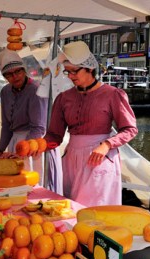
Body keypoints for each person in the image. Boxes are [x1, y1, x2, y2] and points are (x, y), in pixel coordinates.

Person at [34, 41, 137, 206]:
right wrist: (37, 145)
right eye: (67, 72)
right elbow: (55, 135)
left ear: (89, 68)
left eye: (74, 71)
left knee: (95, 209)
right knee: (71, 207)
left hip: (99, 157)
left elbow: (130, 129)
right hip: (71, 158)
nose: (70, 76)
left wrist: (107, 144)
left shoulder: (112, 95)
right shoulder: (63, 98)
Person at [0, 49, 60, 189]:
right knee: (16, 184)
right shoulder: (5, 92)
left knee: (32, 185)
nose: (15, 77)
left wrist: (22, 151)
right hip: (16, 143)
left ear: (24, 70)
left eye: (18, 71)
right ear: (5, 77)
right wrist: (0, 150)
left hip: (34, 143)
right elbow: (6, 125)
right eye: (9, 75)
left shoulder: (36, 90)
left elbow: (38, 127)